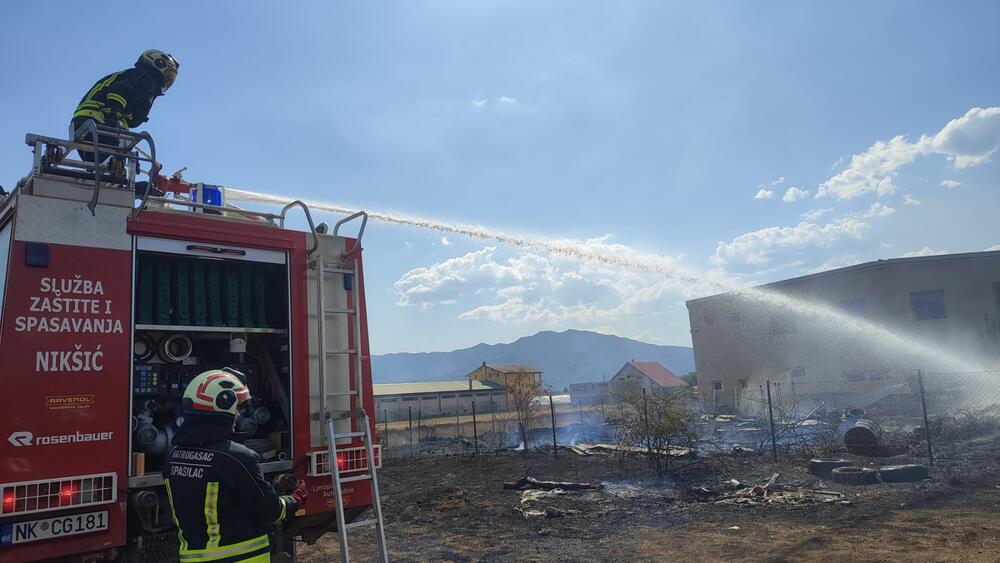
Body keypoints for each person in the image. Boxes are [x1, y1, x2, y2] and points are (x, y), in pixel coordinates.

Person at [163, 368, 307, 562]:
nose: (238, 414)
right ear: (223, 405)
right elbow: (270, 511)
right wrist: (295, 500)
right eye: (236, 407)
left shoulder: (174, 456)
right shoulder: (238, 458)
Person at [71, 49, 179, 182]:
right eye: (167, 76)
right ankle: (117, 166)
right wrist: (113, 114)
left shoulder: (138, 79)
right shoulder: (142, 77)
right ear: (157, 64)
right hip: (97, 119)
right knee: (120, 144)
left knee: (104, 161)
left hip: (85, 122)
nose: (167, 81)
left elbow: (133, 117)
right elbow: (119, 91)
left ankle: (116, 167)